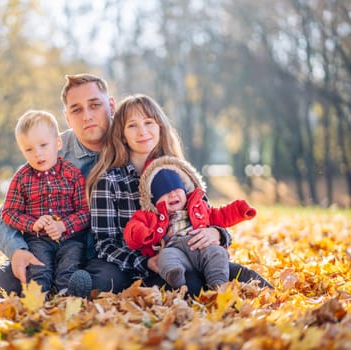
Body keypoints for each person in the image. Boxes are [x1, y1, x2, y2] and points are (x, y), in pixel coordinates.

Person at [0, 74, 271, 297]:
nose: (87, 116)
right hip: (65, 250)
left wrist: (220, 236)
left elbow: (201, 212)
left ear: (110, 107)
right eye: (76, 109)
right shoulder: (53, 154)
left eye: (95, 106)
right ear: (66, 117)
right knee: (14, 282)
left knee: (197, 269)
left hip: (129, 255)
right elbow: (7, 213)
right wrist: (16, 250)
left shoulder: (155, 155)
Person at [85, 93, 272, 296]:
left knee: (237, 274)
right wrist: (146, 262)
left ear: (160, 127)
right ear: (122, 135)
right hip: (140, 264)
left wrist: (217, 233)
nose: (143, 131)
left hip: (192, 254)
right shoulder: (109, 181)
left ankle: (271, 299)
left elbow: (205, 213)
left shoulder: (178, 172)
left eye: (149, 122)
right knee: (185, 283)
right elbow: (104, 243)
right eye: (132, 126)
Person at [124, 155, 257, 290]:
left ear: (185, 190)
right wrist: (140, 232)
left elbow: (221, 215)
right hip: (175, 250)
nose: (173, 195)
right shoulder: (150, 215)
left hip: (202, 248)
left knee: (218, 253)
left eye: (177, 189)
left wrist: (240, 209)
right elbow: (133, 228)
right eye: (164, 192)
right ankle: (176, 277)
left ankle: (218, 283)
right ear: (153, 200)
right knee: (165, 257)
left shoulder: (198, 208)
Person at [1, 110, 90, 294]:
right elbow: (9, 212)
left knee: (70, 263)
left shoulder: (71, 173)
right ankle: (38, 299)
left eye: (43, 145)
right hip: (38, 239)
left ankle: (66, 294)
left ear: (58, 143)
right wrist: (32, 223)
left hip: (69, 238)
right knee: (39, 269)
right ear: (21, 149)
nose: (37, 154)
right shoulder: (22, 178)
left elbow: (85, 211)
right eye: (29, 149)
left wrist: (63, 226)